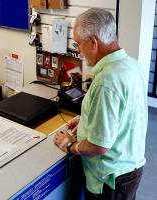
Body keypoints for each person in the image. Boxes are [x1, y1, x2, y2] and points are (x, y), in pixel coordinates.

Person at [53, 8, 148, 200]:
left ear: (93, 42)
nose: (79, 50)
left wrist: (70, 145)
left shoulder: (107, 81)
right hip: (130, 167)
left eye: (78, 44)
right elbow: (123, 114)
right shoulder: (132, 65)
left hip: (110, 179)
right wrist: (86, 122)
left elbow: (99, 146)